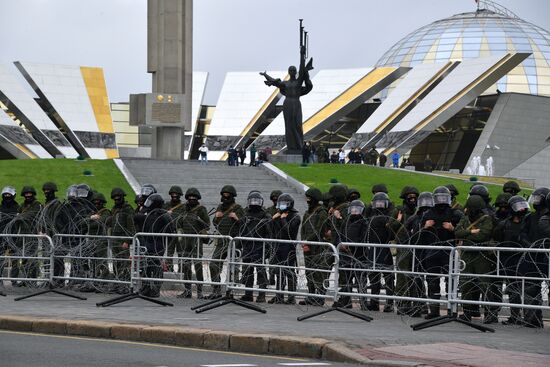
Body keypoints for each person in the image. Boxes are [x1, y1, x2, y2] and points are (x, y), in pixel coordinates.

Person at [418, 186, 463, 319]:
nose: (442, 200)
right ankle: (434, 310)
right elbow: (419, 235)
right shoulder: (428, 214)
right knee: (432, 282)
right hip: (432, 251)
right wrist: (425, 227)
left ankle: (451, 310)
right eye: (440, 198)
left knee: (451, 282)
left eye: (445, 198)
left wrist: (452, 228)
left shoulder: (455, 214)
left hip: (449, 252)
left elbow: (462, 233)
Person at [456, 195, 498, 323]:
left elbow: (483, 235)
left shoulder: (486, 219)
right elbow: (457, 232)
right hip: (467, 254)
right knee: (466, 284)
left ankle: (490, 313)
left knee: (485, 284)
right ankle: (467, 312)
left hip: (481, 255)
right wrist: (472, 232)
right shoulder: (464, 218)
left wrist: (467, 234)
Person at [493, 195, 530, 325]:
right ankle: (515, 316)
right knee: (512, 289)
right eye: (518, 207)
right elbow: (497, 237)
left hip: (523, 260)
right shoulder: (504, 224)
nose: (521, 210)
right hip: (508, 260)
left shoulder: (528, 222)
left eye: (523, 206)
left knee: (525, 289)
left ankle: (527, 316)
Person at [260, 65, 313, 154]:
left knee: (298, 124)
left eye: (294, 70)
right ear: (289, 72)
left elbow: (303, 70)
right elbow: (274, 82)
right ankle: (291, 147)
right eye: (291, 70)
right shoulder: (285, 83)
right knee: (289, 125)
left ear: (296, 72)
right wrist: (266, 75)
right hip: (287, 103)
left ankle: (299, 146)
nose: (292, 71)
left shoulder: (298, 82)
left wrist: (302, 53)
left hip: (296, 103)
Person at [518, 187, 550, 328]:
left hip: (546, 255)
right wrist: (530, 245)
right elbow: (523, 234)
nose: (535, 201)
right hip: (533, 255)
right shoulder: (529, 217)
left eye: (538, 198)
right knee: (531, 288)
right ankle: (533, 320)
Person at [134, 193, 174, 298]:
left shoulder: (164, 216)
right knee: (147, 265)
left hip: (158, 244)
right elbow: (137, 217)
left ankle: (156, 288)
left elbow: (171, 231)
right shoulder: (149, 214)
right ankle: (146, 287)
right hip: (149, 242)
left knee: (156, 266)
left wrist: (165, 242)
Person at [207, 185, 244, 299]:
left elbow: (244, 224)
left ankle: (230, 291)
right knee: (213, 264)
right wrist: (216, 218)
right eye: (224, 195)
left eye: (228, 195)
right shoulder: (220, 207)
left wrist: (236, 218)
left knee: (233, 267)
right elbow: (216, 224)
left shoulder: (238, 208)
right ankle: (216, 289)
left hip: (233, 241)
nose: (225, 197)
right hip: (222, 240)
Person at [234, 191, 271, 302]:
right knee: (247, 271)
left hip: (260, 247)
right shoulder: (246, 214)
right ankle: (248, 293)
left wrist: (268, 248)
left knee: (260, 271)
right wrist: (238, 245)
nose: (254, 203)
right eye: (252, 201)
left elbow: (269, 233)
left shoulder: (265, 215)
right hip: (247, 246)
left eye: (256, 201)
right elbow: (242, 230)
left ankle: (261, 294)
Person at [175, 188, 210, 299]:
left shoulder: (201, 210)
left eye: (194, 198)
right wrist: (179, 230)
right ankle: (187, 290)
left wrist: (199, 220)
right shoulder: (183, 210)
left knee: (198, 265)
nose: (191, 199)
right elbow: (178, 223)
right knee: (186, 265)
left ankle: (199, 291)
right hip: (185, 239)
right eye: (189, 198)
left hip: (196, 240)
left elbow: (207, 225)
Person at [269, 193, 301, 304]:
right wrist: (273, 220)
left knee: (289, 271)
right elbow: (272, 231)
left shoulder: (295, 216)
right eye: (280, 204)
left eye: (284, 204)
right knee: (279, 271)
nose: (282, 206)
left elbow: (289, 232)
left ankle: (291, 297)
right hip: (278, 245)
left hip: (289, 247)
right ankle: (279, 295)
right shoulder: (278, 215)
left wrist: (283, 220)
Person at [300, 188, 330, 306]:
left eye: (309, 198)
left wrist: (308, 241)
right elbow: (303, 228)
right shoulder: (307, 212)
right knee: (309, 271)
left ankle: (320, 296)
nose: (308, 201)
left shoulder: (321, 212)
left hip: (318, 246)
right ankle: (311, 294)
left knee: (319, 272)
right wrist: (304, 242)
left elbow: (320, 230)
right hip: (308, 246)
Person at [10, 186, 42, 286]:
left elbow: (32, 215)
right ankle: (24, 279)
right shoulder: (22, 205)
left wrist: (20, 216)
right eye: (26, 194)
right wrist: (19, 217)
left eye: (30, 194)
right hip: (22, 234)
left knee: (32, 258)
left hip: (32, 234)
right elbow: (16, 217)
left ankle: (32, 280)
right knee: (23, 258)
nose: (28, 196)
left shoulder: (37, 204)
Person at [107, 188, 135, 293]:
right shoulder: (114, 209)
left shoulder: (128, 209)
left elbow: (131, 227)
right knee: (116, 262)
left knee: (124, 263)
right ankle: (118, 283)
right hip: (115, 239)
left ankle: (125, 284)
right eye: (115, 199)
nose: (116, 200)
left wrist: (127, 241)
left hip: (123, 239)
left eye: (118, 198)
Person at [0, 186, 19, 290]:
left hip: (14, 236)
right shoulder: (0, 208)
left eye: (9, 195)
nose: (7, 197)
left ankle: (14, 280)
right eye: (5, 195)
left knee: (15, 258)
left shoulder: (17, 208)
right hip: (2, 236)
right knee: (0, 258)